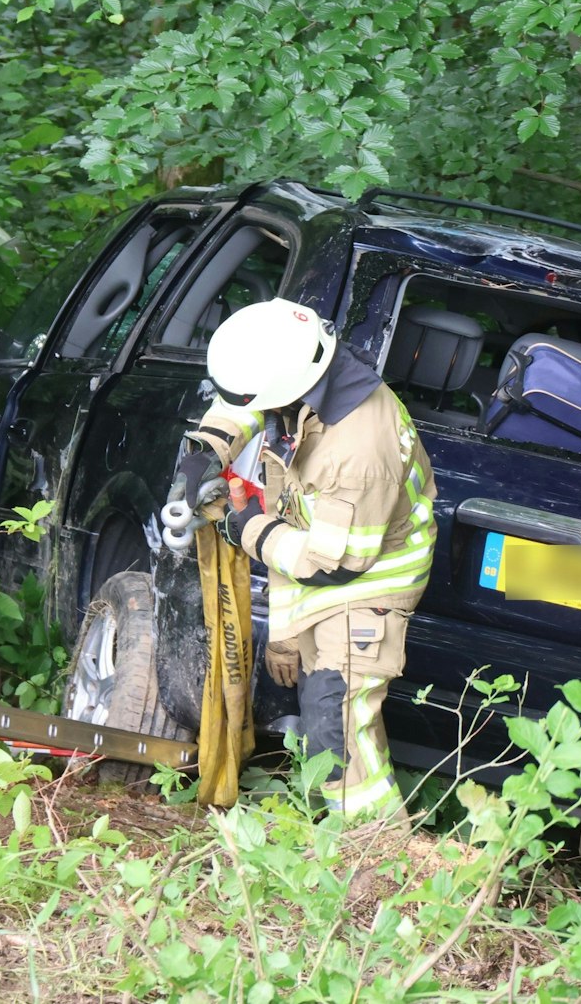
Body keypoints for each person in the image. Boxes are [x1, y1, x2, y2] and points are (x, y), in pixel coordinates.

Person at [167, 298, 437, 821]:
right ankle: (338, 849)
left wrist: (238, 524)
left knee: (336, 732)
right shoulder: (310, 370)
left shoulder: (357, 448)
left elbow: (332, 563)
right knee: (322, 720)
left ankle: (374, 859)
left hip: (367, 588)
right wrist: (204, 452)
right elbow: (245, 401)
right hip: (324, 580)